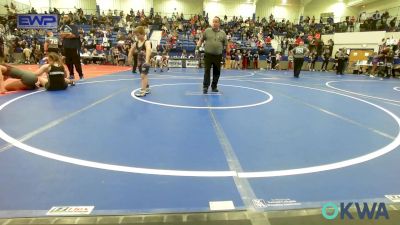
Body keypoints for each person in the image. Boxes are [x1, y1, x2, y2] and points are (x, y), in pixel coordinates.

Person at [196, 16, 229, 94]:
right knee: (207, 71)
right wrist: (197, 48)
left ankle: (214, 87)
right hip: (208, 55)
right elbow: (201, 40)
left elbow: (227, 45)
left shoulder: (223, 33)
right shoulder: (207, 31)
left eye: (216, 22)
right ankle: (205, 87)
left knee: (216, 72)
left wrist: (228, 54)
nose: (214, 23)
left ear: (219, 23)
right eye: (213, 21)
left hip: (218, 55)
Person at [128, 26, 152, 97]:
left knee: (143, 76)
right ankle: (147, 87)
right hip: (139, 63)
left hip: (145, 62)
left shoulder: (147, 42)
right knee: (144, 75)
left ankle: (143, 91)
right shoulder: (136, 43)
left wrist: (147, 60)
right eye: (136, 35)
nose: (137, 37)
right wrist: (129, 58)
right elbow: (131, 50)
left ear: (143, 34)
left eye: (138, 35)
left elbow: (148, 50)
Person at [60, 15, 84, 80]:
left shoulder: (74, 27)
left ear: (70, 18)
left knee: (77, 62)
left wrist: (65, 35)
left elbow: (74, 35)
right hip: (66, 47)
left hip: (74, 47)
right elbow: (61, 36)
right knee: (68, 62)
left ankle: (80, 75)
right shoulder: (63, 27)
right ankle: (71, 74)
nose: (65, 19)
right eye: (64, 17)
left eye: (66, 17)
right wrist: (68, 34)